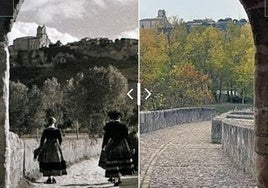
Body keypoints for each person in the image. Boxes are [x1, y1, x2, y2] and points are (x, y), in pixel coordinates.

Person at [100, 111, 134, 186]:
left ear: (111, 118)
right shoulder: (123, 125)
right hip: (123, 145)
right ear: (119, 117)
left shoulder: (108, 126)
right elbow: (127, 137)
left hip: (112, 145)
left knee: (113, 162)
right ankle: (119, 179)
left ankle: (115, 179)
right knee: (120, 162)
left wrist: (104, 146)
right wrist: (131, 147)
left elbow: (106, 137)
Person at [37, 117, 67, 184]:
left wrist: (41, 147)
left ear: (48, 122)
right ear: (54, 122)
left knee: (48, 161)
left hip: (47, 146)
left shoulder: (46, 130)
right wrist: (58, 146)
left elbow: (42, 140)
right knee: (55, 161)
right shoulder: (57, 130)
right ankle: (52, 178)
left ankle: (49, 178)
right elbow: (60, 140)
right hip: (55, 146)